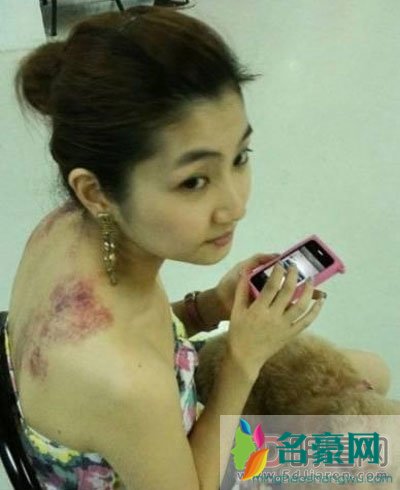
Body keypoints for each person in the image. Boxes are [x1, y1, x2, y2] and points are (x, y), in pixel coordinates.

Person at [6, 5, 391, 490]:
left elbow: (144, 335)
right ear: (96, 192)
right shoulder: (123, 379)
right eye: (194, 181)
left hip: (163, 407)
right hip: (177, 464)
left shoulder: (64, 227)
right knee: (385, 450)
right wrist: (242, 360)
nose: (235, 206)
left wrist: (210, 306)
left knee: (373, 373)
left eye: (240, 157)